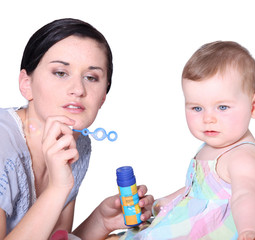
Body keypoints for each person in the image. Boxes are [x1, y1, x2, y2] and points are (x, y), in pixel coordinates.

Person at [0, 18, 153, 240]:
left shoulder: (77, 142)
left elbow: (57, 238)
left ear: (103, 97)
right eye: (61, 73)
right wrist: (57, 187)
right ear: (26, 83)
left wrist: (101, 221)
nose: (78, 89)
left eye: (91, 77)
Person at [119, 41, 255, 240]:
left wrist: (250, 231)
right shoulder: (212, 146)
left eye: (222, 107)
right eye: (197, 108)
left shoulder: (242, 157)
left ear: (254, 105)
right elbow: (196, 190)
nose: (208, 118)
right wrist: (165, 202)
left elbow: (244, 196)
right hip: (180, 224)